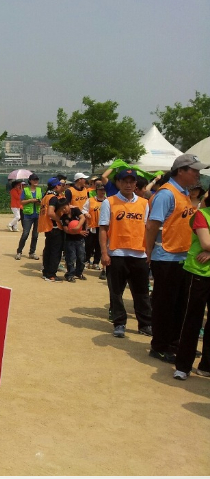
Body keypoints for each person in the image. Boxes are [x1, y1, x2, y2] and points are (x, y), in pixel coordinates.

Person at [145, 154, 208, 363]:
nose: (197, 174)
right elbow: (152, 225)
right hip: (166, 257)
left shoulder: (184, 194)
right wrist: (148, 253)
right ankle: (159, 346)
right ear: (181, 171)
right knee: (165, 304)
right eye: (194, 170)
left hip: (182, 256)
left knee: (180, 304)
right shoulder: (166, 194)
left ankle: (175, 343)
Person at [98, 169, 153, 337]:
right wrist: (104, 253)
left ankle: (145, 324)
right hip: (117, 254)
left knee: (142, 293)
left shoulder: (144, 203)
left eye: (131, 181)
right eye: (124, 181)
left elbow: (148, 229)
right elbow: (103, 228)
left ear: (136, 184)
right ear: (118, 183)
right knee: (116, 292)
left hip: (139, 254)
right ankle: (119, 323)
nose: (128, 185)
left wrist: (149, 252)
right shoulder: (109, 202)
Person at [173, 195, 210, 380]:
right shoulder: (202, 214)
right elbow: (206, 243)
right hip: (198, 273)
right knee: (193, 320)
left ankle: (206, 365)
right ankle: (183, 366)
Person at [40, 178, 66, 282]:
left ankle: (46, 272)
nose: (61, 187)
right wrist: (60, 220)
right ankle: (51, 274)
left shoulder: (46, 196)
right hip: (54, 227)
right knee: (55, 251)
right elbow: (51, 213)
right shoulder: (53, 198)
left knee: (48, 250)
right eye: (60, 185)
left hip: (47, 227)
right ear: (56, 186)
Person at [82, 182, 106, 277]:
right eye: (100, 190)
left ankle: (96, 262)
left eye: (103, 190)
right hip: (91, 226)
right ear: (97, 191)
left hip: (102, 227)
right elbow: (83, 209)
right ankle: (87, 260)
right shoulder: (90, 200)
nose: (102, 192)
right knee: (89, 244)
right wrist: (86, 213)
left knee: (99, 245)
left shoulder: (107, 201)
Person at [60, 200, 87, 282]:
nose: (64, 210)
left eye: (65, 207)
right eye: (62, 209)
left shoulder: (75, 211)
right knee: (71, 258)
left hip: (80, 240)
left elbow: (83, 218)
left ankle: (79, 272)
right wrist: (78, 232)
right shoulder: (63, 218)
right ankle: (70, 274)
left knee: (81, 257)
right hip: (70, 240)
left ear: (69, 205)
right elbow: (66, 230)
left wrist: (78, 227)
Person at [16, 174, 42, 261]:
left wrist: (39, 202)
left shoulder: (39, 190)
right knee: (25, 234)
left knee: (35, 235)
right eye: (34, 179)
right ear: (30, 181)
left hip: (37, 214)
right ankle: (19, 251)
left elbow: (42, 201)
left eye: (37, 179)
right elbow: (21, 202)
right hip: (28, 215)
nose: (36, 181)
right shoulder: (25, 190)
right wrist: (31, 200)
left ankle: (32, 252)